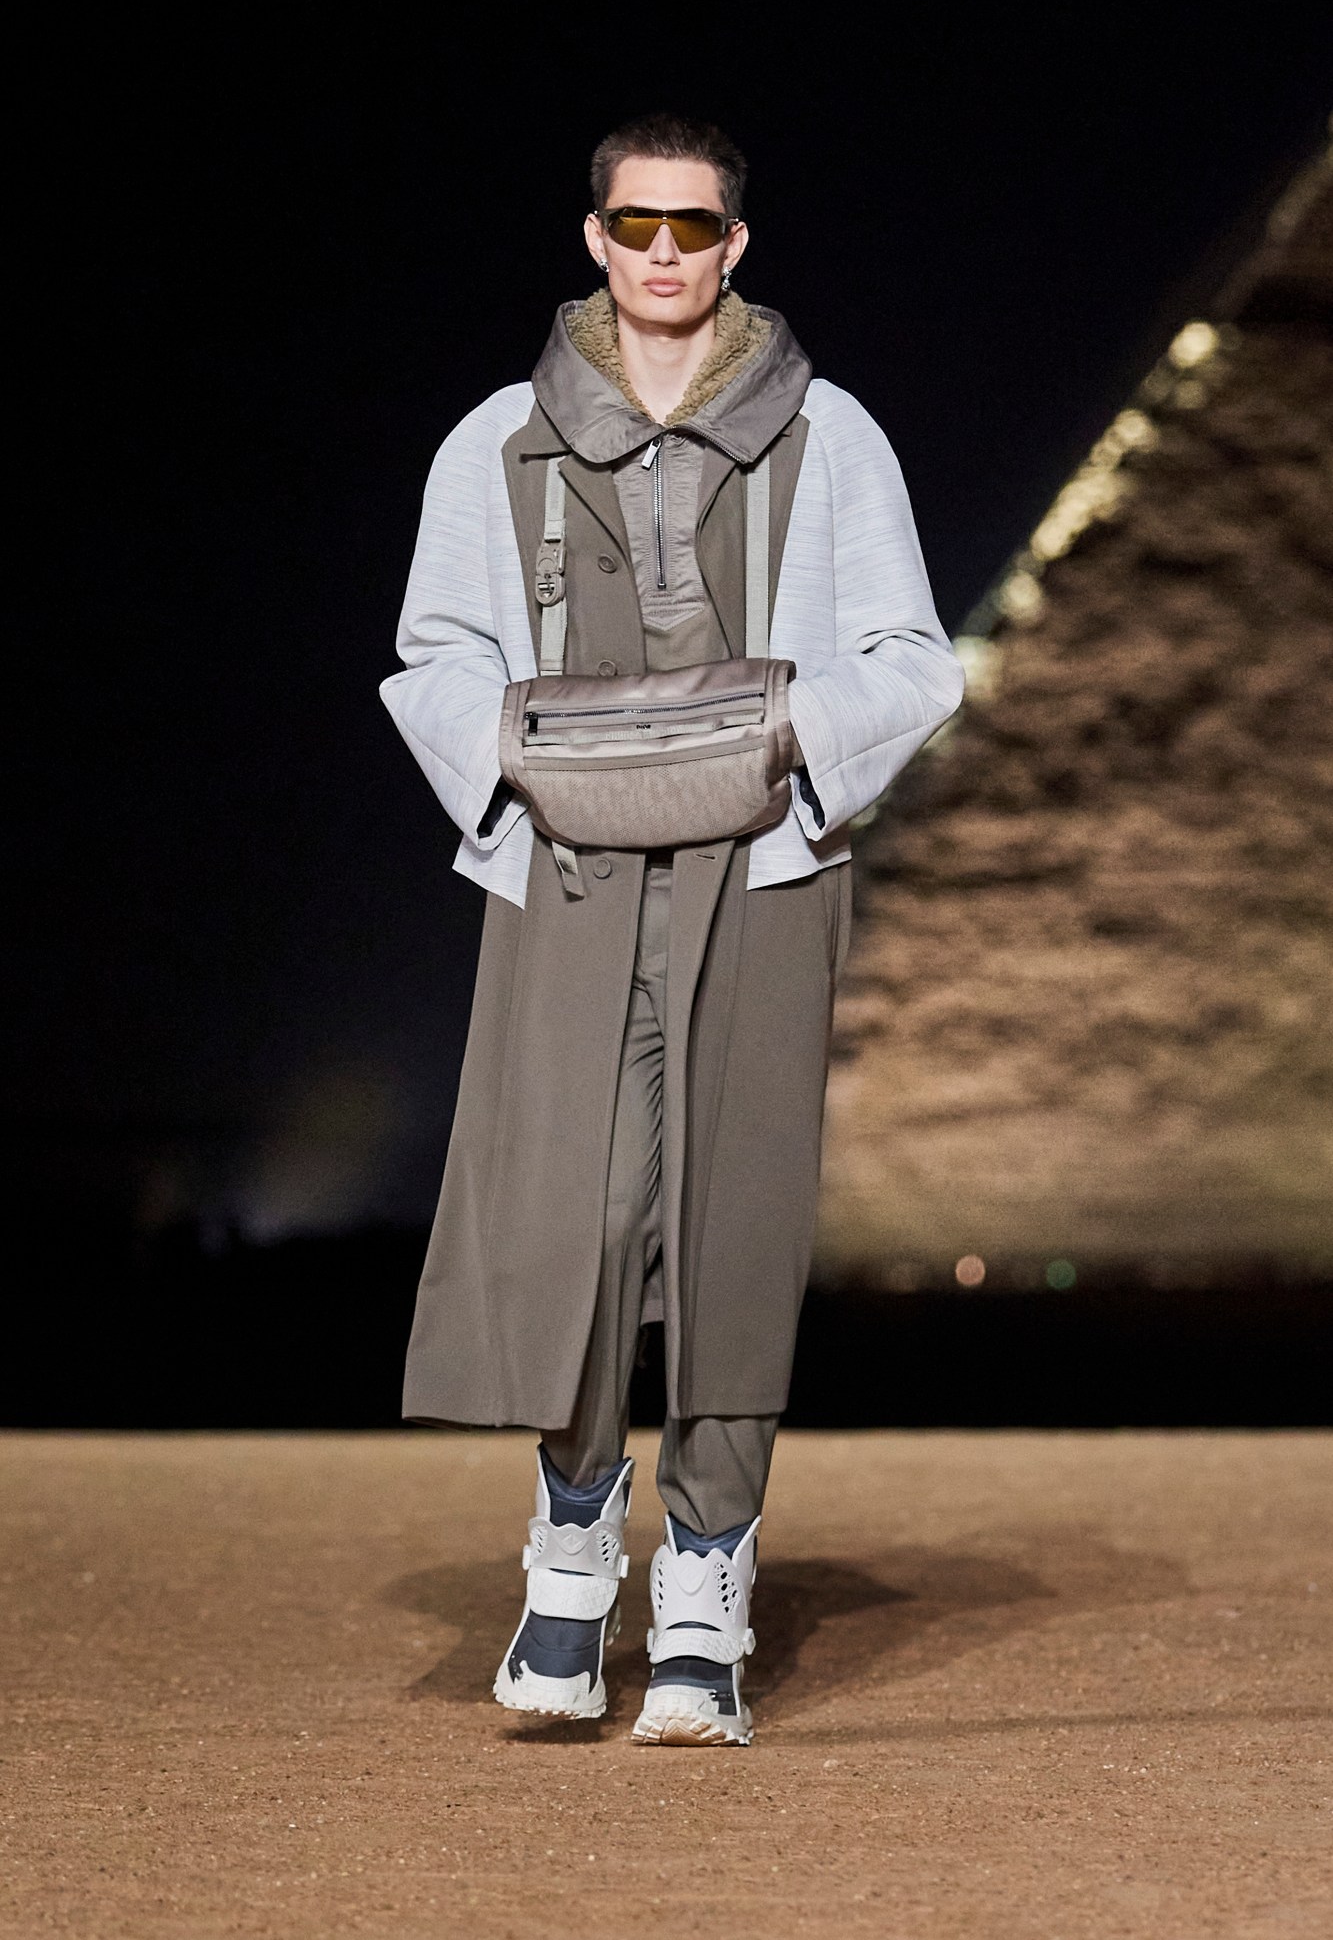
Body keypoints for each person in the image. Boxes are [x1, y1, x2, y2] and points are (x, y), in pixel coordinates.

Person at [380, 112, 964, 1746]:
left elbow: (914, 658)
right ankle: (571, 1556)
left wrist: (778, 742)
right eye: (634, 223)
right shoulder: (493, 441)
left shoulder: (829, 436)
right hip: (564, 870)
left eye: (691, 229)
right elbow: (429, 656)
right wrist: (531, 756)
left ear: (734, 248)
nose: (660, 252)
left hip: (760, 872)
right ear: (590, 236)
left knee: (729, 1220)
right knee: (577, 1213)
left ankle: (701, 1577)